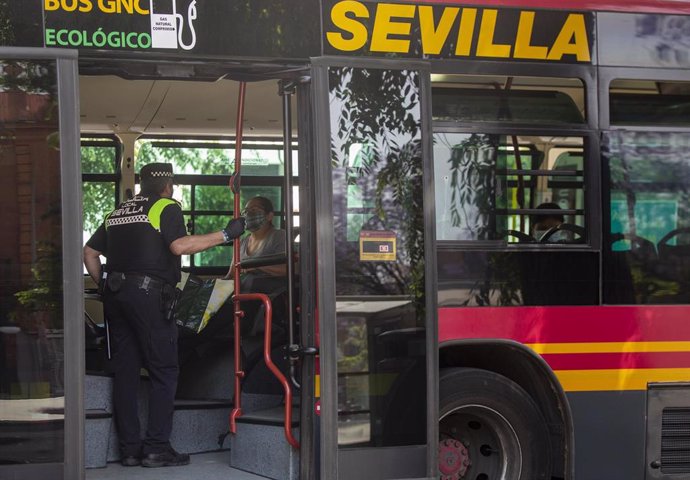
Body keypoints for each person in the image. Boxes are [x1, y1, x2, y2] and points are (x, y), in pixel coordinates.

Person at [83, 162, 245, 468]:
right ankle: (157, 447)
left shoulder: (118, 212)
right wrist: (226, 233)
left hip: (115, 296)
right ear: (167, 184)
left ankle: (130, 450)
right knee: (164, 369)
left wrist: (105, 286)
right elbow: (179, 246)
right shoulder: (165, 206)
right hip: (149, 296)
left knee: (126, 372)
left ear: (142, 183)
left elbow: (89, 253)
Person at [224, 196, 287, 280]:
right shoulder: (242, 242)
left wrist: (256, 267)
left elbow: (291, 269)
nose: (248, 214)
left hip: (270, 292)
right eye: (245, 211)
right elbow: (231, 274)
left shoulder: (279, 236)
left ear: (269, 216)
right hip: (243, 291)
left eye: (253, 210)